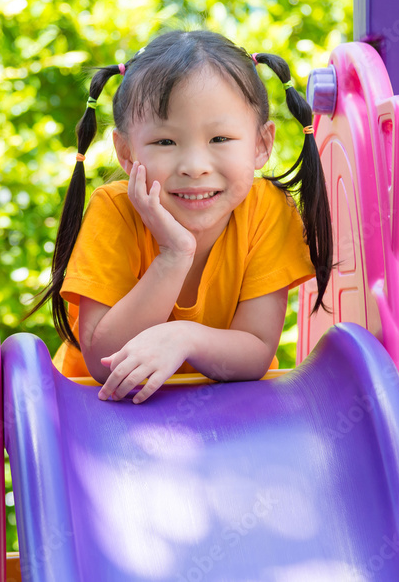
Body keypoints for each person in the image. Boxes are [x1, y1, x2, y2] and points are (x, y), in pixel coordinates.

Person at [30, 30, 332, 404]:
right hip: (99, 417)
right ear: (126, 153)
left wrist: (184, 338)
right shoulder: (114, 211)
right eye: (165, 142)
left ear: (261, 145)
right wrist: (173, 255)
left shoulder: (268, 209)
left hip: (225, 417)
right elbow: (104, 362)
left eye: (220, 139)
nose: (194, 166)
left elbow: (255, 350)